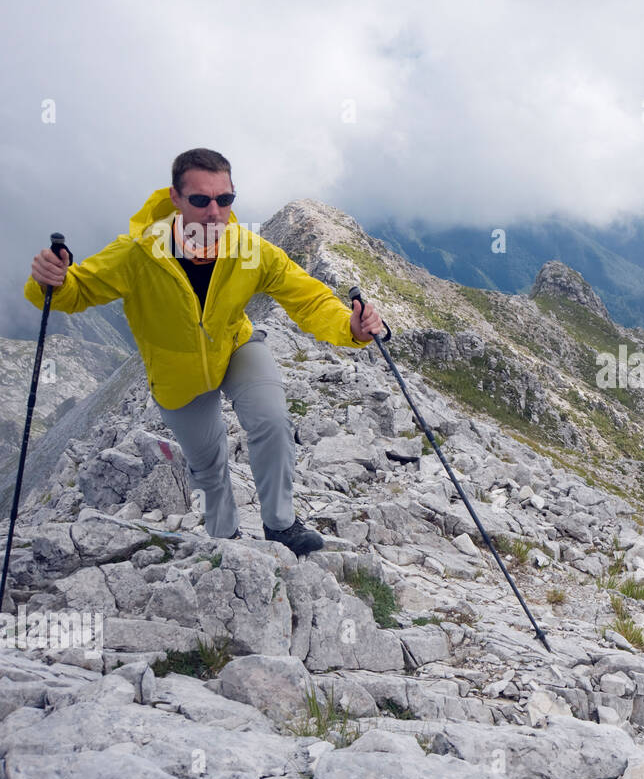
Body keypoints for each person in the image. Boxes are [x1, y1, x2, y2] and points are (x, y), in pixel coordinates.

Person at [25, 148, 387, 556]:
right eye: (201, 200)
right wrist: (50, 281)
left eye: (225, 199)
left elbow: (307, 298)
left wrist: (349, 327)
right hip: (178, 375)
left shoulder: (249, 250)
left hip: (236, 347)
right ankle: (224, 537)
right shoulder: (136, 255)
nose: (215, 211)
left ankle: (281, 525)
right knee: (208, 463)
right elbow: (75, 292)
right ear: (176, 199)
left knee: (272, 420)